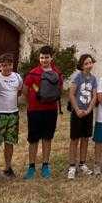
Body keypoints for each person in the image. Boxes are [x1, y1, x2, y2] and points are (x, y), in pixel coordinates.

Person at [23, 45, 62, 179]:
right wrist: (29, 105)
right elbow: (25, 89)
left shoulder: (57, 72)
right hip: (34, 111)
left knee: (47, 138)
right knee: (33, 139)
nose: (44, 60)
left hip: (51, 110)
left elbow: (59, 91)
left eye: (46, 57)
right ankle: (31, 166)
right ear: (39, 58)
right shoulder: (33, 73)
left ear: (51, 58)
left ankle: (45, 165)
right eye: (42, 57)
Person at [0, 53, 22, 179]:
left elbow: (19, 90)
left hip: (13, 113)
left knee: (10, 142)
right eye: (3, 65)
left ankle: (8, 167)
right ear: (0, 66)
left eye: (9, 65)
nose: (6, 68)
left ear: (12, 65)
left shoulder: (17, 77)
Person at [67, 53, 97, 179]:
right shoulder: (77, 77)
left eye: (90, 63)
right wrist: (77, 109)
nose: (89, 65)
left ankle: (83, 163)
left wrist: (89, 110)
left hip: (88, 113)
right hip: (77, 112)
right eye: (86, 63)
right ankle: (72, 166)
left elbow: (94, 95)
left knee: (85, 138)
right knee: (75, 139)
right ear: (81, 65)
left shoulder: (93, 79)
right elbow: (72, 94)